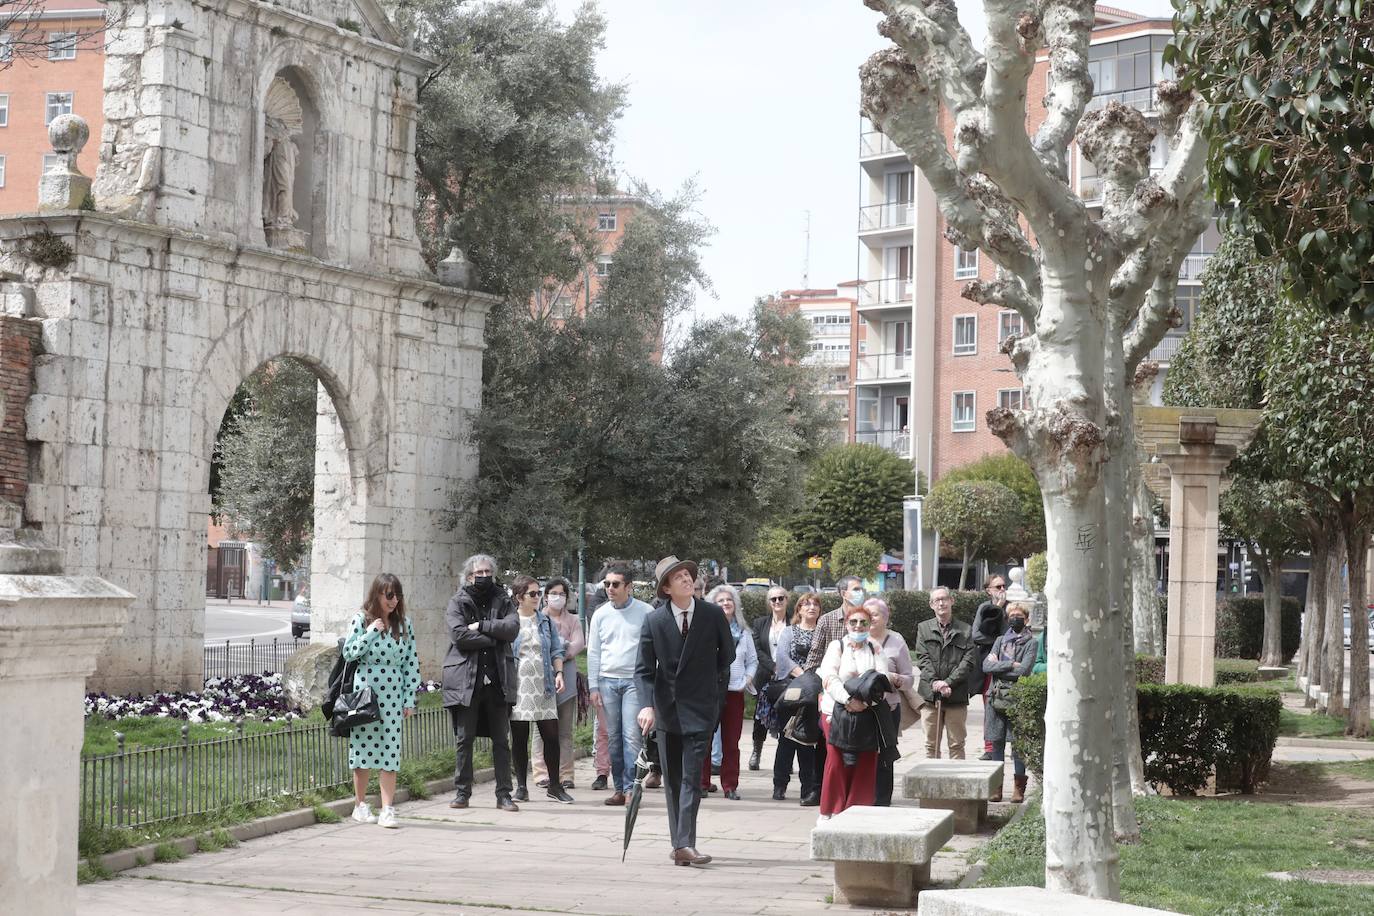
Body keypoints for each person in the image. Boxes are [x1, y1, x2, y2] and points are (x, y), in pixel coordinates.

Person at [636, 556, 735, 867]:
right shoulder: (654, 621)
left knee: (692, 778)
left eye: (688, 574)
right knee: (673, 781)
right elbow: (643, 670)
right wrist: (647, 705)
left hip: (701, 708)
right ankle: (679, 844)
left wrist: (712, 693)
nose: (686, 579)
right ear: (666, 588)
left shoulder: (712, 614)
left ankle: (685, 844)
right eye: (678, 576)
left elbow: (727, 657)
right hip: (667, 711)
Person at [343, 573, 421, 829]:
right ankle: (360, 805)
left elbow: (411, 662)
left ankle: (387, 809)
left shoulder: (404, 624)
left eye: (397, 595)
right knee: (362, 750)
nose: (394, 600)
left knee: (391, 751)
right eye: (389, 595)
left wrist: (409, 698)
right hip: (366, 693)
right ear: (377, 594)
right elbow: (349, 653)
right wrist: (370, 632)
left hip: (393, 696)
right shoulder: (361, 619)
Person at [443, 554, 520, 812]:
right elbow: (459, 635)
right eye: (479, 573)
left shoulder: (503, 598)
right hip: (466, 680)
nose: (484, 576)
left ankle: (504, 795)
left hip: (498, 680)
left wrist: (482, 625)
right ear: (468, 576)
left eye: (488, 572)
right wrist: (494, 638)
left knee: (501, 741)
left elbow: (512, 628)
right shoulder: (458, 601)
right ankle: (462, 793)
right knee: (464, 739)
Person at [587, 562, 653, 806]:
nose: (610, 588)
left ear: (629, 587)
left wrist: (651, 684)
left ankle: (631, 788)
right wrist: (593, 686)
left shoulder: (646, 612)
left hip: (635, 681)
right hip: (607, 681)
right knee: (613, 737)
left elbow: (653, 650)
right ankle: (619, 789)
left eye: (615, 584)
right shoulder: (601, 614)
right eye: (607, 584)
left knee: (631, 736)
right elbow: (593, 652)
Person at [817, 602, 890, 818]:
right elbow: (829, 677)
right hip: (836, 713)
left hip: (867, 714)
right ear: (846, 624)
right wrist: (848, 700)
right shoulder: (837, 646)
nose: (858, 626)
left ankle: (857, 812)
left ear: (869, 625)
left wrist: (865, 704)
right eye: (854, 622)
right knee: (836, 762)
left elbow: (882, 681)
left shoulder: (875, 648)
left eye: (863, 622)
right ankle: (830, 811)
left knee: (866, 762)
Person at [508, 575, 575, 804]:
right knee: (519, 737)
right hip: (519, 686)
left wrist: (559, 673)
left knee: (551, 736)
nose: (538, 597)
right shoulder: (510, 622)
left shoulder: (544, 621)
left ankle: (555, 786)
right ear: (519, 597)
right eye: (533, 594)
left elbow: (556, 650)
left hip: (544, 685)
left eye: (539, 592)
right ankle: (521, 787)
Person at [704, 584, 757, 800]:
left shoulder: (744, 633)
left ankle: (730, 785)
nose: (726, 603)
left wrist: (747, 680)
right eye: (721, 600)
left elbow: (752, 661)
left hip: (735, 692)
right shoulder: (706, 631)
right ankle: (702, 783)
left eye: (729, 600)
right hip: (710, 692)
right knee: (705, 739)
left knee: (731, 742)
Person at [864, 597, 916, 806]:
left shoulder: (896, 641)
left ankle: (883, 800)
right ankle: (862, 796)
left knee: (885, 756)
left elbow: (909, 679)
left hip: (888, 709)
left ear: (885, 618)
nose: (870, 618)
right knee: (863, 754)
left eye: (875, 614)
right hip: (861, 708)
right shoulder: (856, 639)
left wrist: (895, 679)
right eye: (867, 614)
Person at [984, 602, 1038, 802]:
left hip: (1017, 698)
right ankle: (996, 787)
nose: (1015, 618)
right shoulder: (999, 640)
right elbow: (986, 666)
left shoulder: (1031, 642)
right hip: (996, 697)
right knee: (996, 742)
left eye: (1019, 615)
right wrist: (1009, 664)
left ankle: (1018, 789)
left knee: (1017, 745)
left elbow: (1023, 670)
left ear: (1026, 619)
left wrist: (999, 666)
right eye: (1012, 615)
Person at [771, 592, 822, 804]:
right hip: (791, 691)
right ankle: (779, 784)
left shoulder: (822, 631)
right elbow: (782, 658)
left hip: (815, 693)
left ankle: (807, 788)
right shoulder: (789, 632)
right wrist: (803, 676)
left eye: (815, 604)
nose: (811, 607)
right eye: (806, 604)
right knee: (786, 740)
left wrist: (812, 681)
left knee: (807, 741)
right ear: (799, 609)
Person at [914, 586, 977, 759]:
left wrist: (948, 682)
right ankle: (932, 776)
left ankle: (956, 776)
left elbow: (968, 661)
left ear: (952, 601)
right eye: (937, 600)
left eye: (944, 599)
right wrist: (935, 682)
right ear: (931, 605)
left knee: (957, 745)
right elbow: (922, 658)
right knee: (931, 745)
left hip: (956, 695)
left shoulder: (965, 630)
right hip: (930, 696)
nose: (941, 603)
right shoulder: (923, 628)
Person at [533, 577, 582, 791]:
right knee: (540, 730)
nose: (558, 597)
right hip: (542, 678)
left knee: (565, 730)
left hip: (567, 678)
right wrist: (560, 646)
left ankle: (566, 774)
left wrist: (558, 651)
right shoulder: (538, 619)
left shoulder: (573, 620)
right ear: (545, 597)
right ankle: (541, 773)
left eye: (562, 594)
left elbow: (578, 644)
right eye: (553, 593)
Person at [748, 586, 791, 771]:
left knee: (786, 716)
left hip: (788, 676)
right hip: (765, 675)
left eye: (781, 598)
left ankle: (785, 758)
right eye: (773, 599)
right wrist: (773, 666)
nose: (777, 602)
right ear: (769, 603)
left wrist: (785, 667)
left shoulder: (794, 623)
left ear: (787, 600)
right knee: (760, 716)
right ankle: (756, 752)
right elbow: (757, 650)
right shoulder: (760, 623)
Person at [971, 575, 1008, 758]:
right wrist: (997, 609)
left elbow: (1010, 634)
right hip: (988, 662)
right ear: (988, 590)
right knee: (989, 704)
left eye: (1004, 586)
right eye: (998, 586)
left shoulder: (1012, 608)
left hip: (1007, 662)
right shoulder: (985, 608)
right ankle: (989, 748)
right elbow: (976, 635)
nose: (1002, 589)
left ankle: (1008, 747)